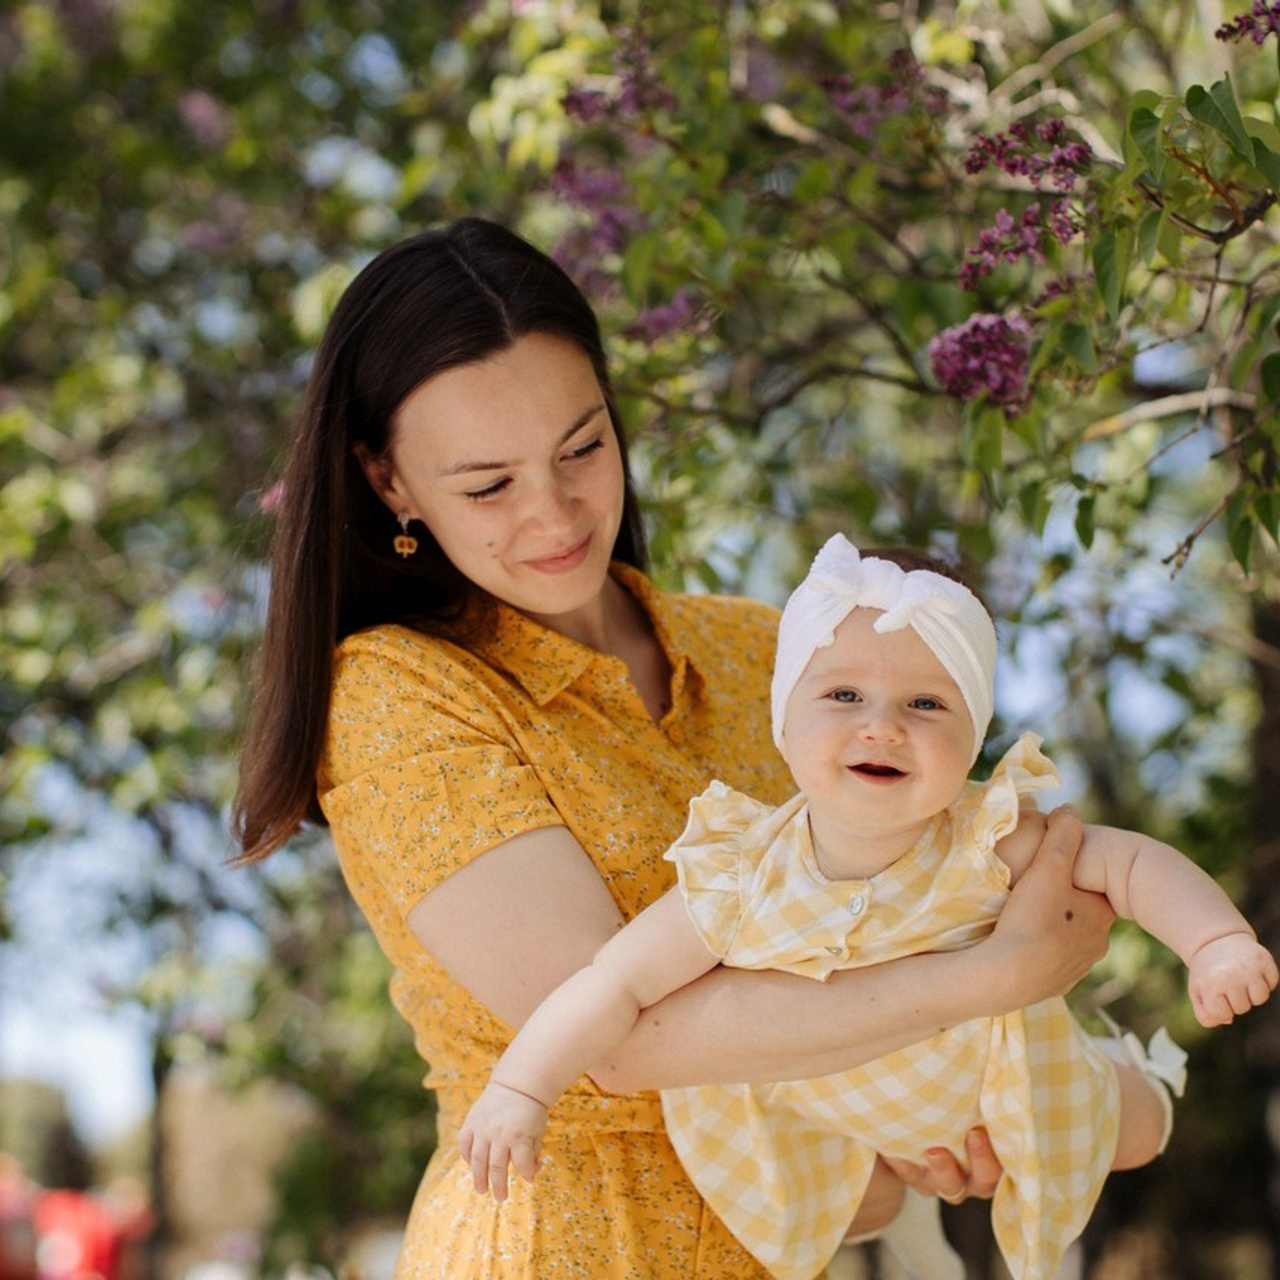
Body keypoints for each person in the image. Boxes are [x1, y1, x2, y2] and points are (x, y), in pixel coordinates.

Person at [232, 217, 1119, 1278]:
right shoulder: (398, 693)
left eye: (581, 448)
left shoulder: (766, 652)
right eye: (487, 485)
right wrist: (993, 977)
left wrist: (933, 1114)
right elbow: (622, 1040)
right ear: (390, 484)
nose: (554, 512)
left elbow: (921, 894)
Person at [459, 536, 1278, 1280]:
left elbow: (1128, 864)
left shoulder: (984, 839)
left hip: (999, 1079)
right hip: (845, 1112)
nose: (883, 727)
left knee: (1133, 1135)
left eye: (927, 705)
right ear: (783, 718)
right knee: (847, 1201)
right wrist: (522, 1088)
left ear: (974, 734)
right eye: (844, 695)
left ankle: (1138, 1075)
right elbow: (615, 985)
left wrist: (1215, 941)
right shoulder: (740, 877)